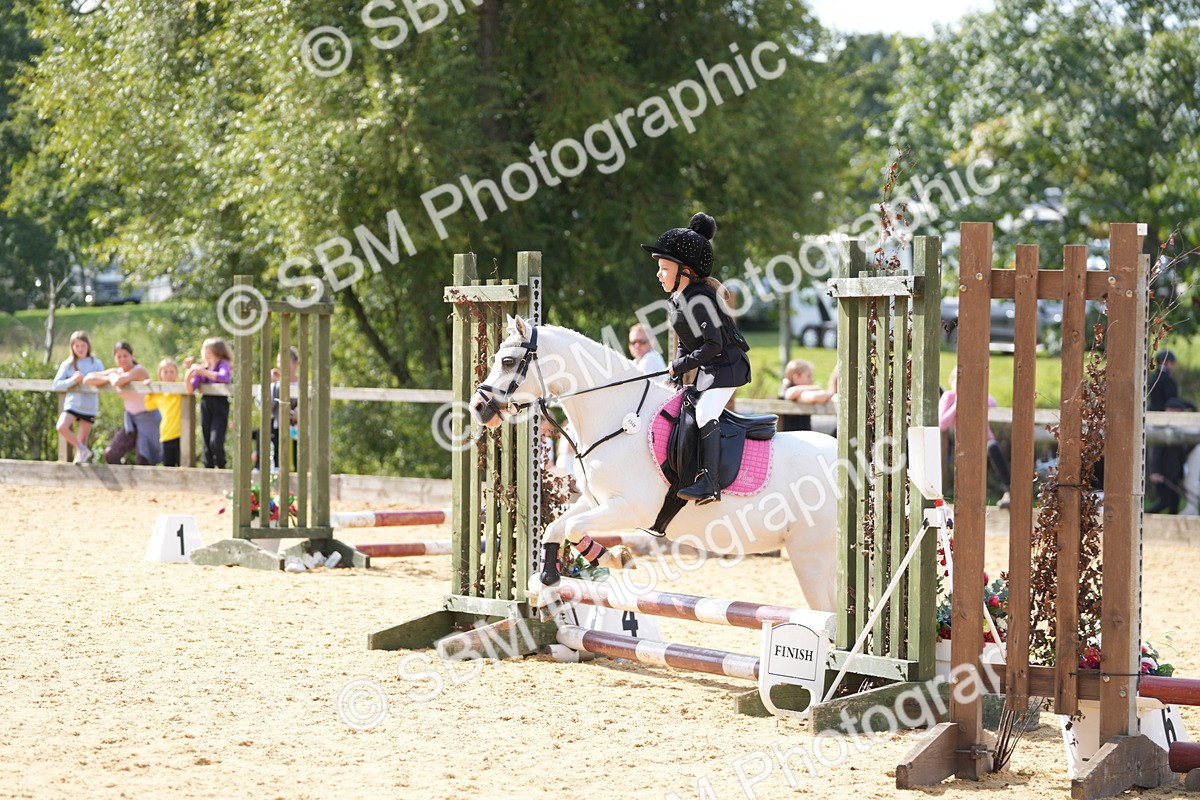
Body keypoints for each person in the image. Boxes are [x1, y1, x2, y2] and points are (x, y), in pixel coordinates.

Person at [642, 211, 750, 505]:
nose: (658, 274)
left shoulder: (699, 299)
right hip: (712, 367)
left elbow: (714, 345)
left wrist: (680, 365)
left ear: (685, 270)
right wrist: (675, 371)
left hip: (728, 368)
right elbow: (686, 342)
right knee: (683, 407)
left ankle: (710, 483)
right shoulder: (677, 299)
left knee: (704, 414)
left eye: (664, 268)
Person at [939, 368, 1011, 508]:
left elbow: (993, 403)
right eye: (958, 381)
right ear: (952, 381)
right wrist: (957, 404)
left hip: (985, 440)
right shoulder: (949, 397)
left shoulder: (976, 395)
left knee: (993, 448)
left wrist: (976, 393)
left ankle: (1008, 490)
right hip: (965, 442)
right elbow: (943, 423)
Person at [87, 341, 162, 465]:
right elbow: (88, 378)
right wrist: (109, 377)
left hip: (148, 420)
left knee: (144, 458)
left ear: (132, 356)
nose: (122, 359)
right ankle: (124, 481)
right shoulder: (115, 372)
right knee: (111, 454)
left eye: (125, 355)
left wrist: (111, 378)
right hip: (131, 421)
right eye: (119, 356)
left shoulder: (139, 370)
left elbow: (119, 381)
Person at [52, 330, 104, 464]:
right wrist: (73, 380)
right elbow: (56, 384)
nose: (80, 349)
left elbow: (103, 380)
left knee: (81, 445)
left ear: (88, 346)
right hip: (72, 404)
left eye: (83, 346)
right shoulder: (67, 364)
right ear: (72, 347)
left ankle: (79, 477)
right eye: (77, 346)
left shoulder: (96, 362)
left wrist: (88, 380)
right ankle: (82, 449)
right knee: (61, 427)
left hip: (89, 405)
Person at [185, 337, 233, 469]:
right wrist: (190, 371)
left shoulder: (223, 364)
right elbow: (190, 388)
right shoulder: (203, 368)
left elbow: (224, 377)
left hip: (220, 403)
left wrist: (202, 371)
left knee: (216, 440)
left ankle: (221, 465)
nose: (206, 354)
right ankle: (208, 467)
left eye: (209, 351)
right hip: (206, 403)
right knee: (206, 439)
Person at [1148, 397, 1196, 514]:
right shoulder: (1162, 430)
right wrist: (1154, 472)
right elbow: (1156, 453)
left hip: (1175, 474)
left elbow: (1183, 452)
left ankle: (1174, 530)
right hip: (1163, 475)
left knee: (1175, 503)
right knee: (1165, 501)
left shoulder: (1179, 431)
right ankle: (1143, 517)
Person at [780, 359, 837, 432]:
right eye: (808, 376)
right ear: (796, 377)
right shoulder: (789, 389)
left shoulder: (800, 393)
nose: (812, 379)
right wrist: (817, 388)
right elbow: (791, 393)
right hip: (793, 435)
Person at [145, 358, 183, 467]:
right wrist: (149, 387)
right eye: (165, 372)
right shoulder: (158, 393)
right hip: (166, 434)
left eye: (172, 371)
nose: (169, 375)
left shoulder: (180, 387)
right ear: (160, 374)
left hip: (181, 434)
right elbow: (148, 406)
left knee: (183, 465)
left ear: (176, 373)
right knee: (167, 466)